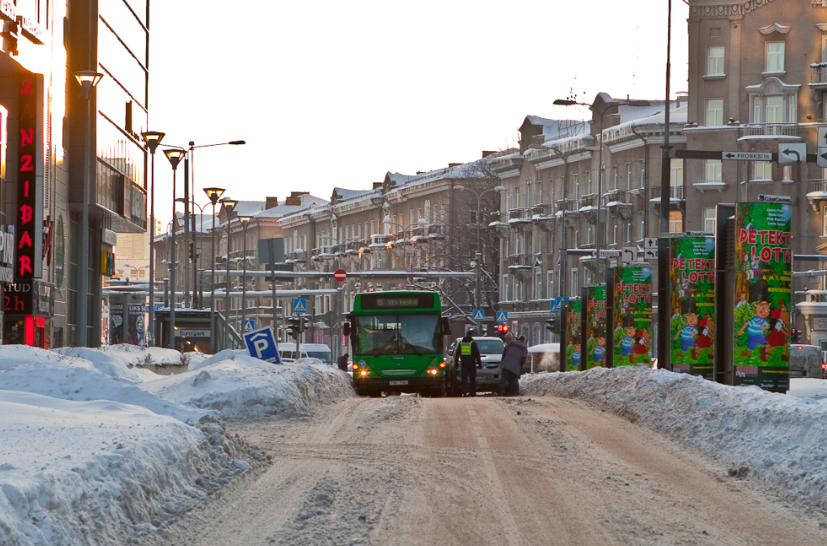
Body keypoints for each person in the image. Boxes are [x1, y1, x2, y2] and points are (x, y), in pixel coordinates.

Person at [457, 329, 482, 396]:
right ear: (471, 335)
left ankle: (464, 391)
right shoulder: (473, 343)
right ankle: (472, 392)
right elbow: (477, 354)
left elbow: (457, 353)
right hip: (471, 363)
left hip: (464, 362)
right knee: (472, 378)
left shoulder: (461, 343)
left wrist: (456, 363)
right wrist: (479, 364)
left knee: (464, 378)